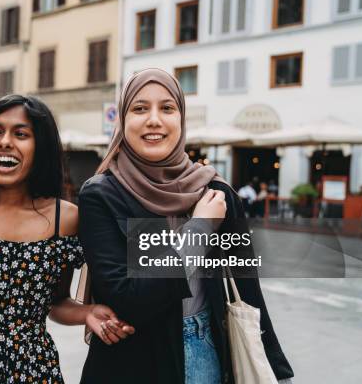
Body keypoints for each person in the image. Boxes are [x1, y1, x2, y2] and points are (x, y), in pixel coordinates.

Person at [77, 69, 293, 384]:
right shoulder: (103, 194)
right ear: (122, 120)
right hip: (131, 359)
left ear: (181, 119)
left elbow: (248, 293)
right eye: (139, 109)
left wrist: (277, 370)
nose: (154, 120)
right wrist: (201, 227)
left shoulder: (216, 192)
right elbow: (130, 298)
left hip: (206, 351)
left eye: (167, 108)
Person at [0, 95, 135, 383]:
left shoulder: (65, 219)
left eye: (21, 134)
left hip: (35, 370)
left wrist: (88, 312)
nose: (5, 141)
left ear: (40, 147)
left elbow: (56, 303)